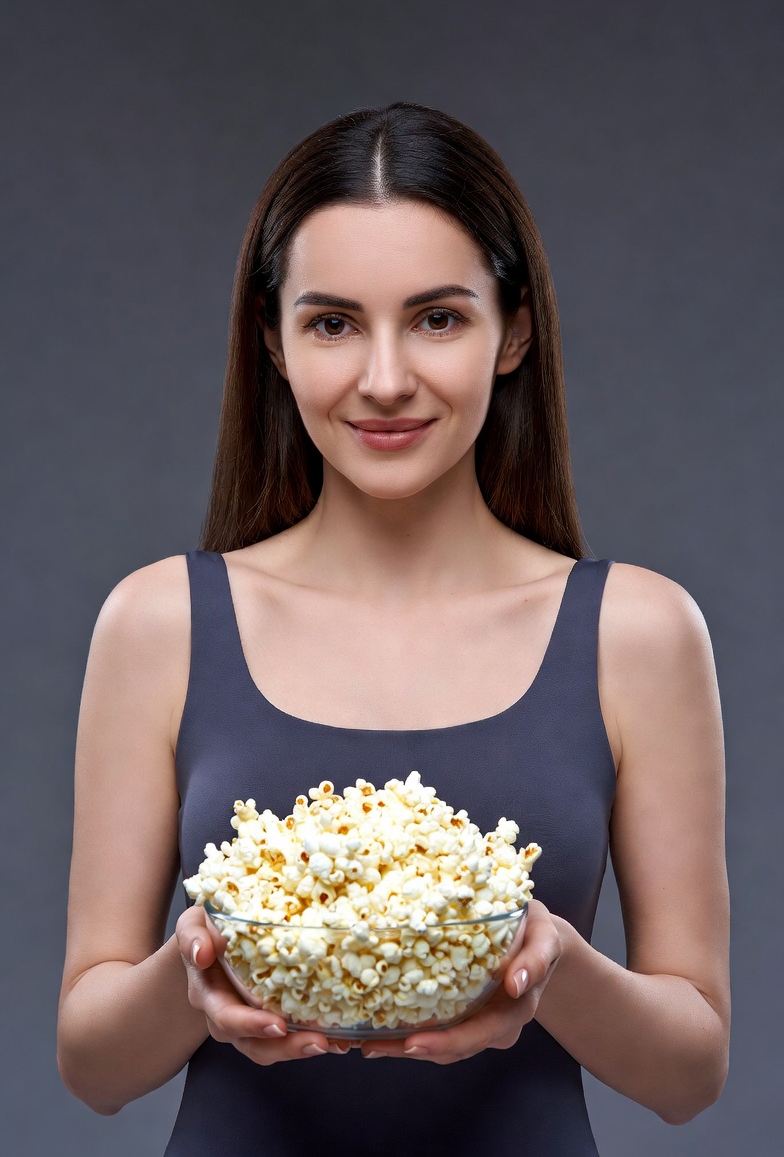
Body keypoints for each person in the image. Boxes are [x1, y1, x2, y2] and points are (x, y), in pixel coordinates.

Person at [57, 102, 730, 1156]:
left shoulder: (635, 632)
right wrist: (192, 972)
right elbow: (92, 1066)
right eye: (332, 322)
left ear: (512, 331)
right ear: (272, 343)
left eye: (437, 318)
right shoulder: (160, 623)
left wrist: (549, 964)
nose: (383, 378)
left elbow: (691, 1072)